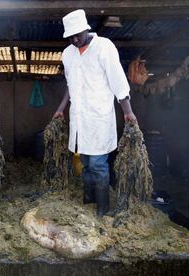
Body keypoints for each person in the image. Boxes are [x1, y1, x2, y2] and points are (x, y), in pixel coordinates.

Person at [53, 10, 137, 217]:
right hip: (79, 119)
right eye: (70, 37)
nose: (74, 40)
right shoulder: (68, 54)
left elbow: (118, 81)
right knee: (86, 164)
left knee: (98, 165)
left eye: (77, 35)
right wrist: (60, 108)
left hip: (99, 117)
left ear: (86, 29)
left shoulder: (104, 47)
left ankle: (102, 208)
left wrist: (128, 112)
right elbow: (70, 85)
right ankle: (89, 201)